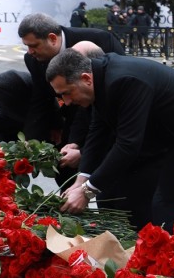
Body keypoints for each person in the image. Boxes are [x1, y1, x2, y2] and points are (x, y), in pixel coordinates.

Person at [47, 49, 174, 231]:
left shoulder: (123, 80)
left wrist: (87, 192)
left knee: (166, 202)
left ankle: (165, 261)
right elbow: (97, 134)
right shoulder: (101, 79)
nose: (68, 101)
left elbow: (127, 145)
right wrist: (80, 182)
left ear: (86, 79)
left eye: (67, 92)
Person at [17, 12, 126, 171]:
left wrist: (83, 147)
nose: (30, 51)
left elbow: (120, 87)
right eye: (26, 46)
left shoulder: (99, 40)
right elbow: (41, 98)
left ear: (53, 38)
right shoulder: (33, 59)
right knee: (65, 166)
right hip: (72, 117)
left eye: (34, 45)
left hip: (107, 115)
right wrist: (31, 138)